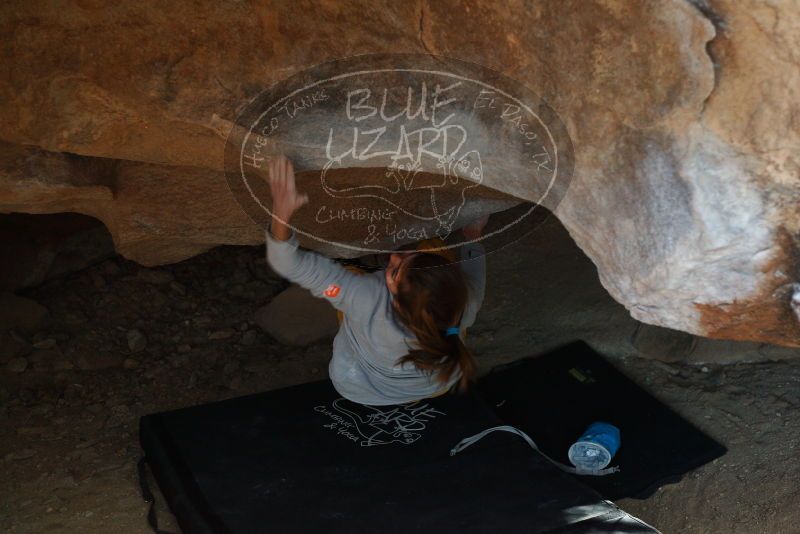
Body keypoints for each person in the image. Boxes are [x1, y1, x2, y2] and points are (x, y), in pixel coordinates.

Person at [265, 155, 487, 406]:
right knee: (434, 253)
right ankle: (408, 391)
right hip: (436, 385)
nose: (394, 256)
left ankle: (360, 265)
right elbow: (472, 271)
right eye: (407, 257)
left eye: (393, 271)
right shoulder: (464, 299)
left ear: (396, 302)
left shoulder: (363, 299)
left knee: (348, 274)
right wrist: (473, 234)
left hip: (358, 384)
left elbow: (287, 263)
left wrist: (281, 213)